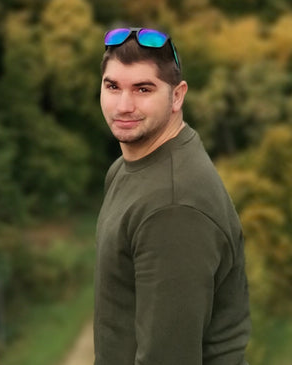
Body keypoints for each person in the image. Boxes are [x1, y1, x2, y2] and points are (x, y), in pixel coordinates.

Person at [94, 27, 251, 365]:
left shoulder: (172, 207)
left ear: (177, 96)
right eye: (113, 86)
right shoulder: (126, 167)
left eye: (143, 89)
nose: (124, 105)